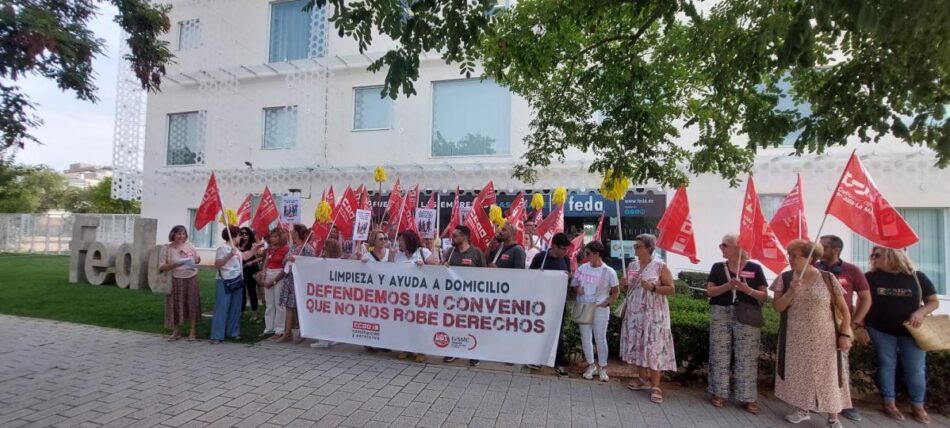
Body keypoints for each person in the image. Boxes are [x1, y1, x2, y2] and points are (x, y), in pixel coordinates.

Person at [771, 239, 853, 427]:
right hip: (795, 335)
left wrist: (844, 334)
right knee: (798, 373)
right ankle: (802, 408)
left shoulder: (827, 278)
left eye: (795, 256)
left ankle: (833, 417)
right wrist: (791, 291)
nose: (790, 259)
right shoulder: (784, 278)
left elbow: (844, 309)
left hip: (825, 336)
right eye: (789, 255)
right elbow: (778, 307)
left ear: (811, 258)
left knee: (829, 374)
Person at [864, 246, 939, 424]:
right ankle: (889, 403)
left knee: (915, 369)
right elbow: (863, 300)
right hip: (880, 328)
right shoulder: (870, 278)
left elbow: (933, 302)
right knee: (886, 364)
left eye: (877, 255)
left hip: (911, 332)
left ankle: (918, 405)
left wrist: (920, 313)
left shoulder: (916, 277)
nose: (873, 258)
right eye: (872, 255)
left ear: (892, 256)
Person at [704, 234, 768, 414]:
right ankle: (719, 392)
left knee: (747, 354)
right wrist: (729, 286)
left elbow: (764, 296)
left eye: (724, 245)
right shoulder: (718, 267)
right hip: (721, 310)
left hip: (746, 313)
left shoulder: (755, 268)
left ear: (737, 247)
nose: (721, 248)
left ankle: (748, 396)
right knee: (718, 351)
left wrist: (745, 289)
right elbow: (710, 291)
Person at [817, 234, 872, 422]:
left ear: (835, 250)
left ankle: (845, 405)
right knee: (818, 365)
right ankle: (818, 402)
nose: (818, 249)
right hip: (816, 324)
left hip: (841, 325)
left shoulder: (851, 270)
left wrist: (854, 324)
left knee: (841, 366)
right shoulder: (814, 268)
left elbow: (865, 299)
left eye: (822, 246)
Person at [619, 234, 676, 404]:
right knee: (639, 344)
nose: (635, 248)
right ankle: (642, 377)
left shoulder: (659, 266)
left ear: (649, 248)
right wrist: (623, 285)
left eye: (638, 246)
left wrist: (652, 287)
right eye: (635, 246)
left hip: (654, 315)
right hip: (635, 312)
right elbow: (629, 290)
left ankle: (656, 385)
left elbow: (671, 288)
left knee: (654, 346)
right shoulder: (632, 265)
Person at [571, 240, 619, 382]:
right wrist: (577, 289)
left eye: (589, 253)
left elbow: (616, 291)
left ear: (597, 254)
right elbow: (574, 285)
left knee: (600, 338)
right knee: (585, 337)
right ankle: (591, 365)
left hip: (600, 308)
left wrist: (607, 302)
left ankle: (603, 367)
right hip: (584, 305)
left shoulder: (609, 271)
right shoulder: (582, 268)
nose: (586, 256)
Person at [529, 232, 573, 376]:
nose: (565, 252)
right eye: (563, 248)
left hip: (558, 303)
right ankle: (536, 359)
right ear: (554, 246)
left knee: (558, 333)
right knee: (539, 330)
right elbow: (529, 277)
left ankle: (557, 363)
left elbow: (569, 279)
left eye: (567, 249)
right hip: (541, 304)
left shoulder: (565, 259)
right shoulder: (540, 257)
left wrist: (569, 278)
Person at [443, 225, 486, 366]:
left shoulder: (476, 253)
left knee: (472, 326)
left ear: (465, 237)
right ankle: (454, 351)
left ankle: (474, 353)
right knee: (454, 325)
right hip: (453, 299)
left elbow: (484, 276)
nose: (452, 238)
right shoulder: (450, 252)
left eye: (455, 235)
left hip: (471, 299)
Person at [391, 229, 435, 363]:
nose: (399, 243)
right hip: (403, 296)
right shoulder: (399, 255)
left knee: (419, 324)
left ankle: (421, 350)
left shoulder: (422, 252)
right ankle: (407, 348)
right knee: (405, 323)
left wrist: (425, 266)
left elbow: (436, 265)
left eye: (401, 241)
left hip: (420, 296)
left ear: (409, 241)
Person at [211, 225, 259, 344]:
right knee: (222, 308)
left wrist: (255, 249)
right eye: (238, 235)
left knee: (235, 308)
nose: (240, 237)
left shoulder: (235, 248)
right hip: (225, 281)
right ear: (233, 236)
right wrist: (229, 255)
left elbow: (244, 256)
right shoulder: (223, 248)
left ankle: (233, 332)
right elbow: (217, 264)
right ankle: (217, 335)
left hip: (237, 280)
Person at [159, 225, 202, 341]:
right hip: (176, 279)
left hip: (191, 277)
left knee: (192, 303)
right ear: (173, 234)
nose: (181, 236)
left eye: (183, 234)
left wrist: (195, 259)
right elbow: (162, 266)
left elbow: (198, 259)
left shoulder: (190, 246)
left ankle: (192, 331)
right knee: (177, 305)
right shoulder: (167, 248)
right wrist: (175, 265)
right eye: (178, 233)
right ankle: (176, 331)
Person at [275, 224, 313, 343]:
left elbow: (311, 264)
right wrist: (286, 259)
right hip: (289, 279)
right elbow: (284, 261)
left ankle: (303, 332)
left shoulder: (307, 248)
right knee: (289, 306)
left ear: (296, 233)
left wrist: (297, 261)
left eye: (293, 231)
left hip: (300, 281)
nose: (290, 232)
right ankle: (287, 333)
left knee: (301, 307)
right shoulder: (292, 247)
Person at [260, 228, 290, 339]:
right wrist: (263, 276)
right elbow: (265, 263)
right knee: (269, 304)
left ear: (281, 237)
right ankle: (269, 328)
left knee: (279, 303)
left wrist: (273, 281)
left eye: (275, 236)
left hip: (279, 276)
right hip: (268, 273)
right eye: (272, 237)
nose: (272, 239)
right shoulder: (270, 249)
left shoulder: (287, 249)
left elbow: (285, 267)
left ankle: (279, 329)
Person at [238, 227, 262, 322]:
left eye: (246, 233)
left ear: (249, 234)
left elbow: (261, 257)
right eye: (242, 233)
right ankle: (241, 312)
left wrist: (251, 262)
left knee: (252, 291)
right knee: (241, 292)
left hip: (251, 270)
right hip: (241, 270)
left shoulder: (254, 245)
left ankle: (254, 313)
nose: (244, 235)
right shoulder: (238, 245)